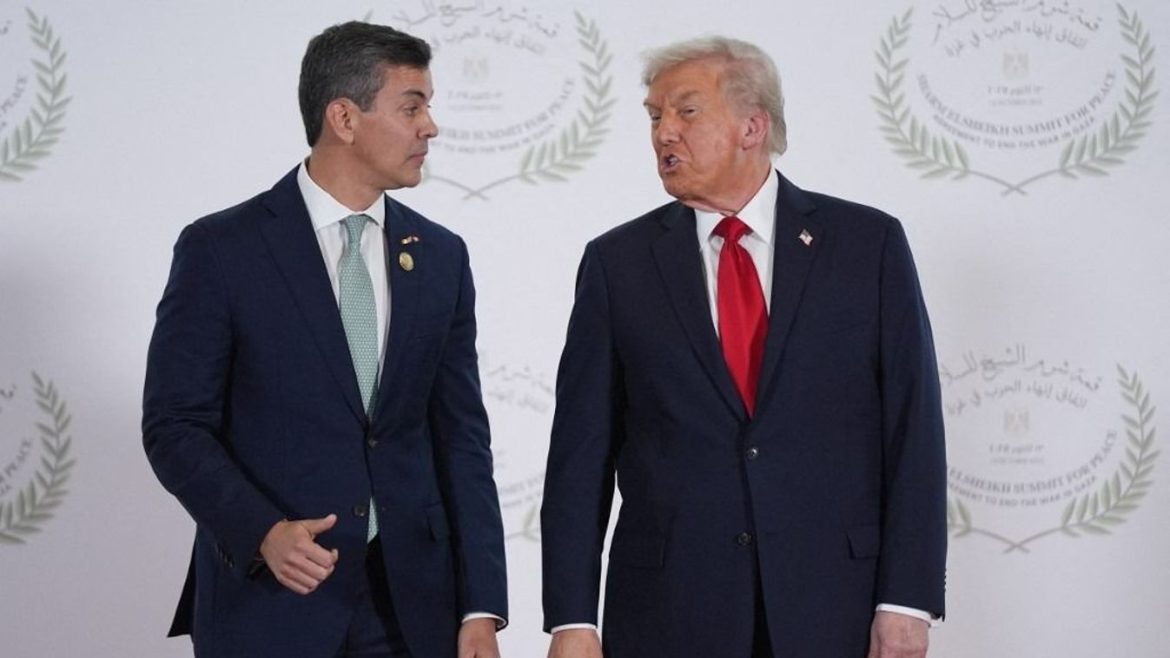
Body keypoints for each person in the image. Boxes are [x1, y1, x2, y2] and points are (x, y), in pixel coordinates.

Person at [541, 36, 946, 658]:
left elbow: (912, 431)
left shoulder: (868, 246)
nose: (664, 133)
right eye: (654, 116)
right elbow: (580, 454)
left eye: (686, 111)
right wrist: (572, 618)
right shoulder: (617, 264)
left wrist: (906, 600)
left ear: (752, 127)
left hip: (833, 606)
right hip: (670, 614)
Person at [143, 21, 507, 658]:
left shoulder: (442, 256)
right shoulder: (222, 249)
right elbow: (175, 425)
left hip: (413, 613)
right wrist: (261, 531)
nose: (430, 127)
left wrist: (480, 605)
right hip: (270, 605)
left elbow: (462, 440)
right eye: (412, 107)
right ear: (344, 117)